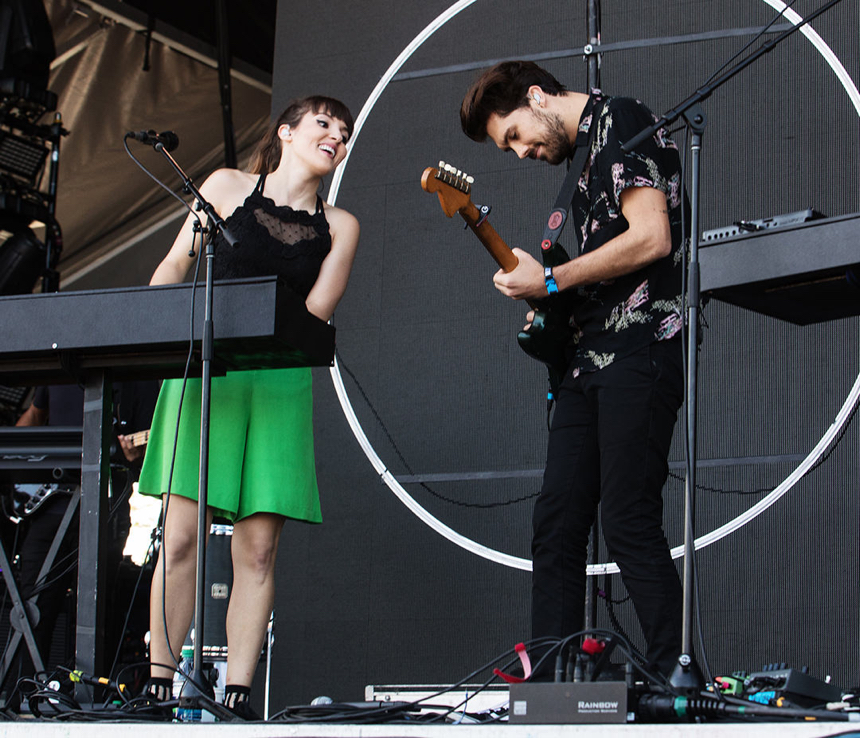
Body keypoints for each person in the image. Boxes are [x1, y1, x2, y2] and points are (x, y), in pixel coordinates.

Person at [460, 61, 686, 677]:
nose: (520, 152)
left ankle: (675, 674)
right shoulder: (579, 168)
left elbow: (652, 237)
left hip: (641, 349)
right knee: (556, 522)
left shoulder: (625, 119)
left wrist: (552, 276)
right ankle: (548, 678)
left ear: (537, 97)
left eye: (513, 135)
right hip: (584, 365)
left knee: (627, 517)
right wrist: (539, 287)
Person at [137, 95, 359, 716]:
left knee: (257, 550)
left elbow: (316, 315)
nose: (335, 138)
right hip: (206, 372)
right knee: (180, 539)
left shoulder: (341, 225)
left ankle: (236, 695)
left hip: (278, 377)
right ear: (286, 133)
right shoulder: (226, 185)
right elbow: (172, 268)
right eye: (324, 125)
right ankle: (158, 687)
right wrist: (156, 338)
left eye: (344, 134)